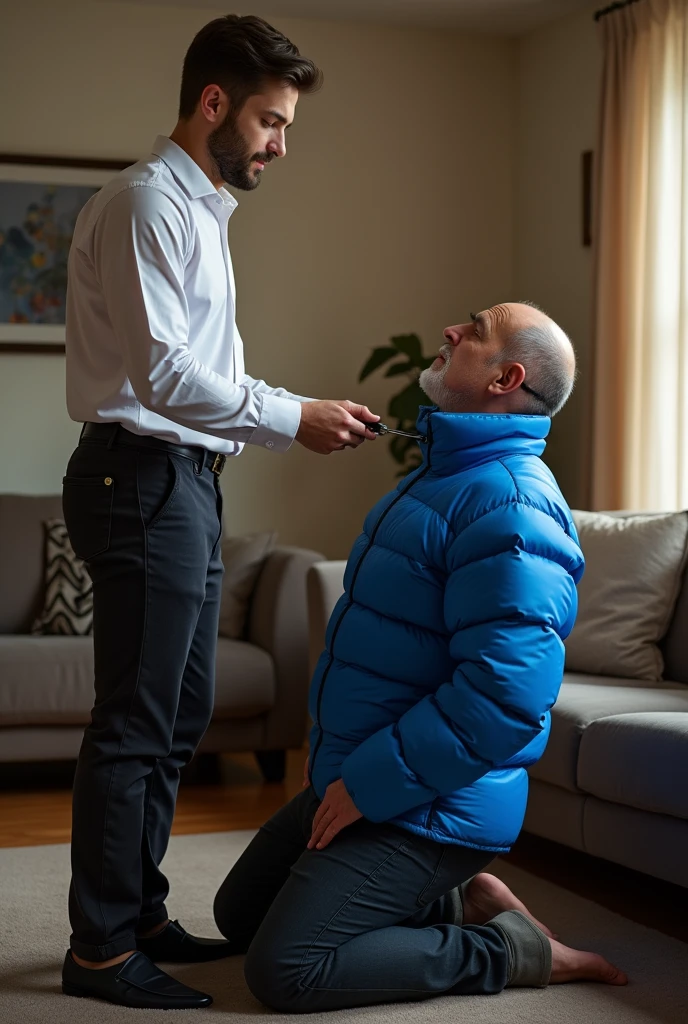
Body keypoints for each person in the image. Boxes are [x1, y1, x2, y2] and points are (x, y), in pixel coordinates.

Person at [60, 14, 379, 1012]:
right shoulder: (148, 204)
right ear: (213, 106)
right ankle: (101, 949)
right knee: (137, 721)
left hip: (184, 478)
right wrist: (296, 415)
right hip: (140, 474)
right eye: (273, 122)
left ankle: (138, 911)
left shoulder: (201, 212)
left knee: (177, 714)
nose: (281, 143)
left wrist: (290, 414)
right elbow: (163, 377)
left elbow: (203, 374)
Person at [212, 301, 629, 1012]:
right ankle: (462, 903)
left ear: (508, 377)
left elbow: (503, 700)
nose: (451, 332)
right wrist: (334, 750)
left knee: (286, 969)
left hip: (435, 802)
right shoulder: (437, 476)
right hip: (379, 771)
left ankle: (517, 947)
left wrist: (367, 782)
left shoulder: (514, 507)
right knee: (240, 916)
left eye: (476, 330)